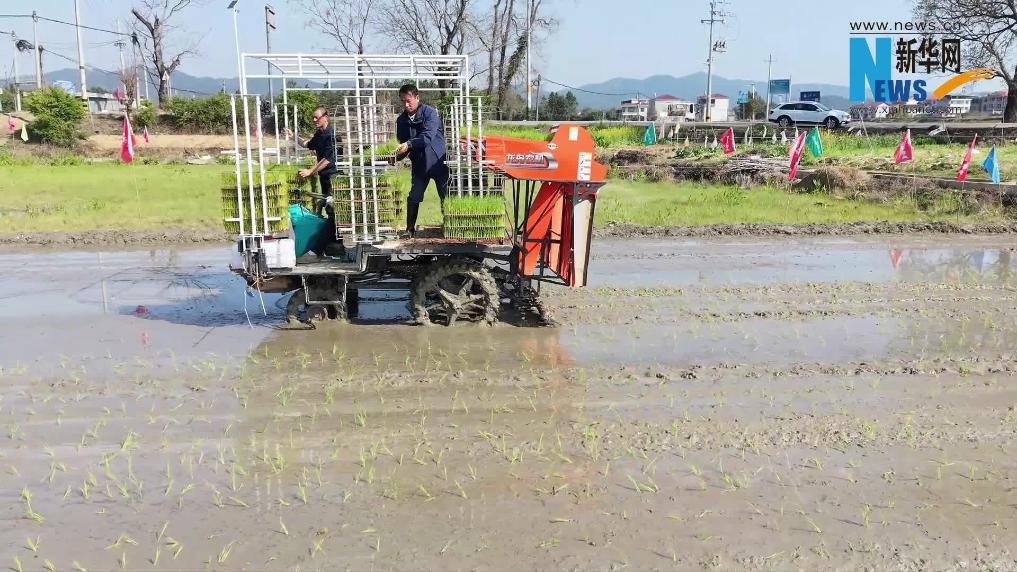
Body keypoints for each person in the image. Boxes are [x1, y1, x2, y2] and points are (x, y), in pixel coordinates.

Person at [284, 106, 342, 252]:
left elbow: (329, 160)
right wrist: (293, 136)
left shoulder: (332, 135)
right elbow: (307, 144)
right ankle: (333, 243)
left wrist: (310, 171)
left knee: (332, 210)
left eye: (317, 117)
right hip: (324, 177)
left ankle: (322, 247)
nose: (314, 120)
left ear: (325, 117)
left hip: (334, 177)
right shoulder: (319, 134)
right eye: (313, 118)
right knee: (329, 209)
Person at [395, 84, 448, 237]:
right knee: (414, 196)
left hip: (439, 163)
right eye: (403, 101)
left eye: (409, 100)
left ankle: (450, 227)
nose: (406, 104)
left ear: (417, 98)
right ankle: (409, 230)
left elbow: (427, 137)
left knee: (445, 196)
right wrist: (396, 157)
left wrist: (409, 144)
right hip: (419, 165)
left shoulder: (430, 113)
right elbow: (404, 145)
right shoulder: (401, 121)